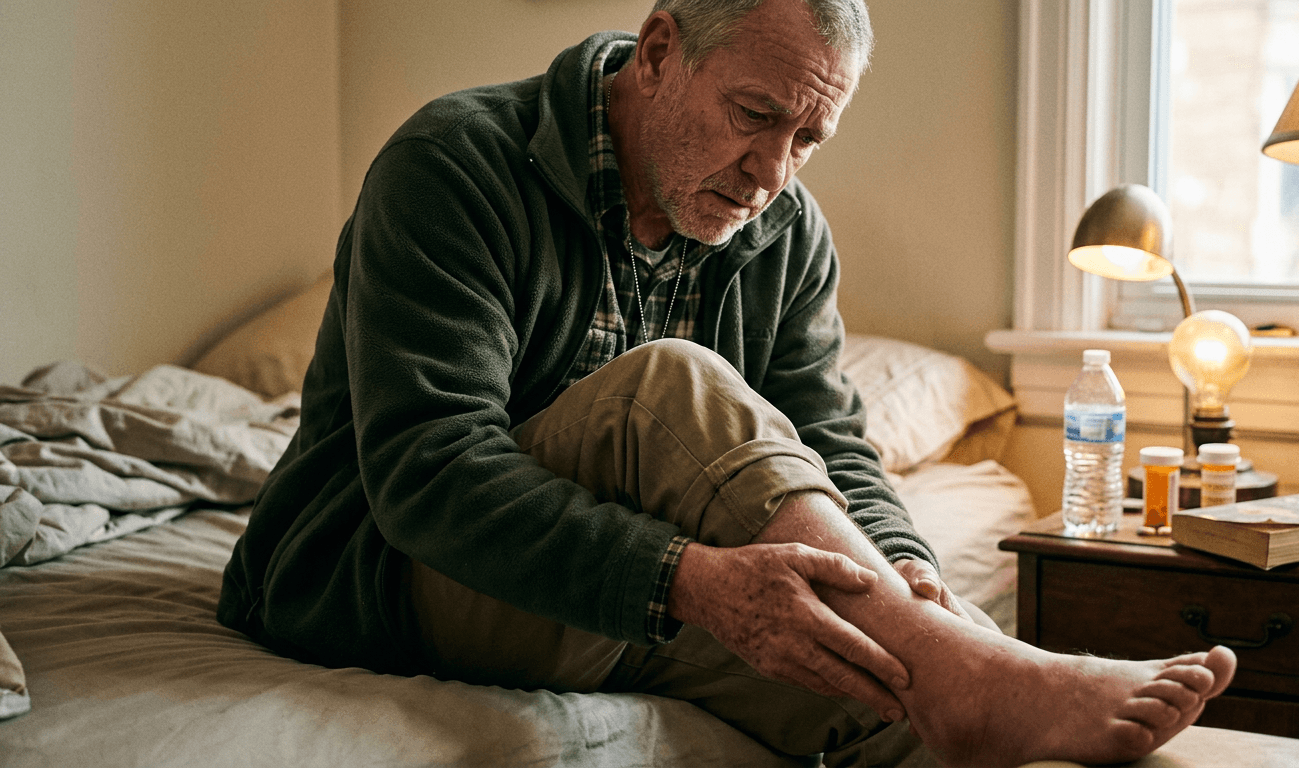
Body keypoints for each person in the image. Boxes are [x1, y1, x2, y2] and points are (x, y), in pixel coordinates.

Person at [217, 0, 1236, 765]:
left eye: (806, 138)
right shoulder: (457, 163)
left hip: (605, 589)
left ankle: (964, 670)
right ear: (659, 52)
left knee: (899, 707)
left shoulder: (784, 232)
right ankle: (968, 663)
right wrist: (688, 580)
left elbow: (832, 443)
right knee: (667, 386)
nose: (772, 172)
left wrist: (900, 570)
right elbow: (427, 470)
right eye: (755, 115)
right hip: (383, 577)